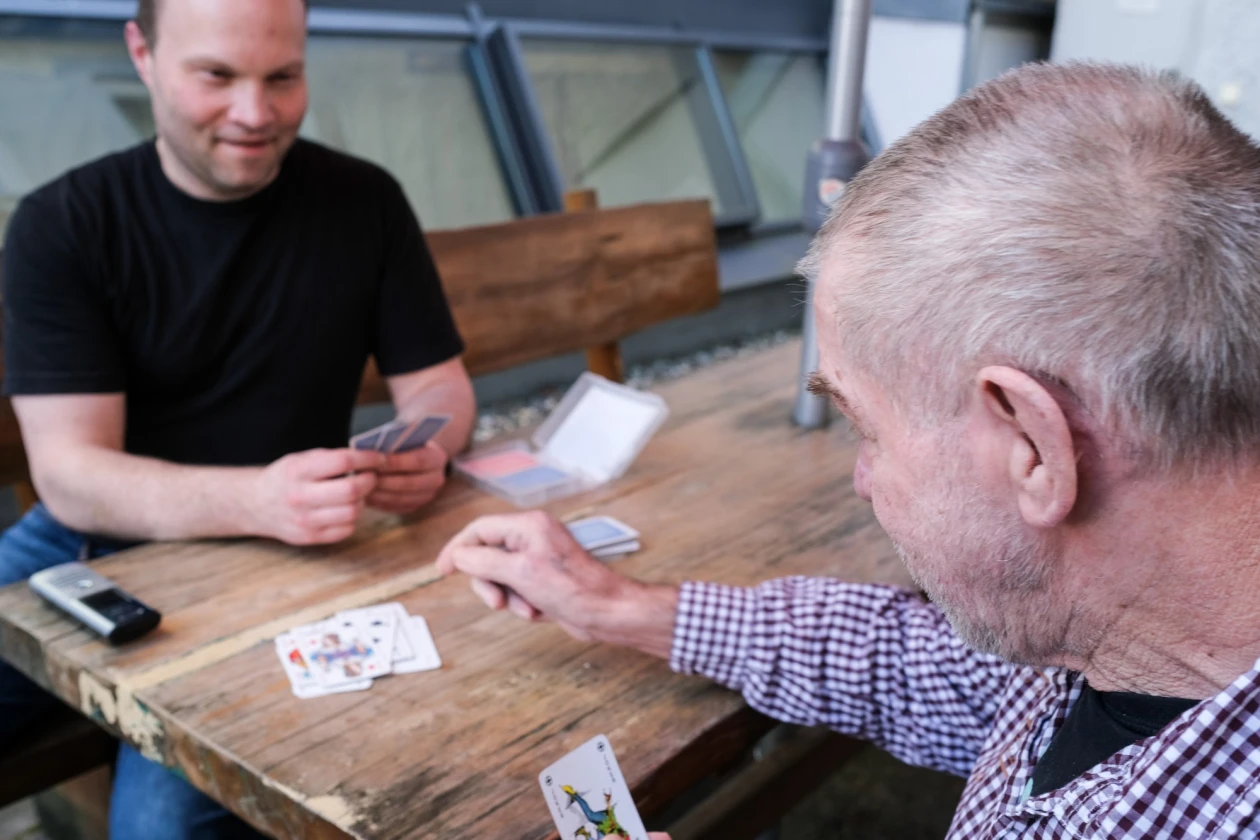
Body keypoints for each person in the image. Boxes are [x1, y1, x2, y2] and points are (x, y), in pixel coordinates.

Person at [438, 63, 1260, 838]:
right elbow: (926, 671)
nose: (863, 479)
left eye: (868, 429)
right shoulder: (1125, 640)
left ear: (1035, 448)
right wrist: (615, 605)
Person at [0, 0, 474, 836]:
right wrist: (260, 498)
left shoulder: (365, 200)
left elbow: (439, 386)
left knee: (165, 832)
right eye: (216, 76)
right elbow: (72, 475)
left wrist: (429, 449)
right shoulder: (62, 223)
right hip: (90, 544)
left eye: (283, 78)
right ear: (142, 53)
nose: (256, 115)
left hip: (292, 558)